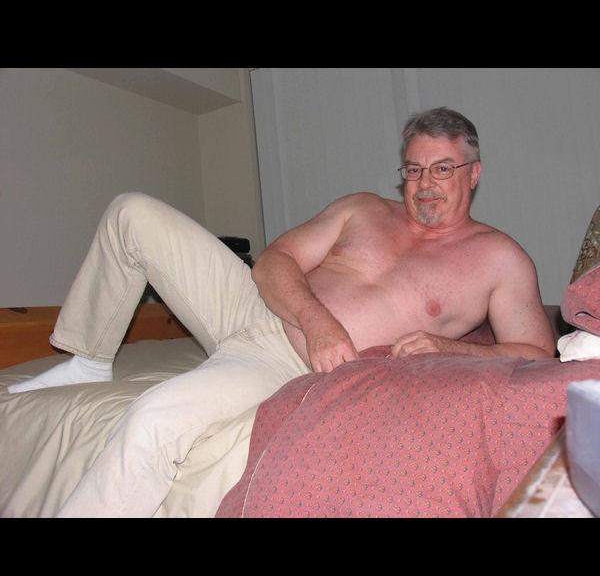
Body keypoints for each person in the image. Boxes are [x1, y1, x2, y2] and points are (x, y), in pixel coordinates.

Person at [7, 107, 555, 517]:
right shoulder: (363, 207)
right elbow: (273, 262)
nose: (425, 185)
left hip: (281, 358)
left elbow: (537, 353)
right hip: (263, 306)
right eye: (413, 170)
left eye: (442, 169)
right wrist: (317, 322)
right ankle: (89, 359)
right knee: (132, 212)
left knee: (154, 419)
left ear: (474, 173)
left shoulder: (499, 258)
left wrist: (445, 347)